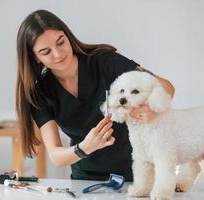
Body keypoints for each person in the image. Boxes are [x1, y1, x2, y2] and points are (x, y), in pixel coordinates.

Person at [16, 9, 175, 181]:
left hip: (138, 173)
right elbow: (56, 156)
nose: (58, 54)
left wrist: (146, 110)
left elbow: (167, 88)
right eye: (46, 52)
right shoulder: (40, 92)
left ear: (67, 36)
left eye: (61, 42)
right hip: (86, 179)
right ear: (35, 57)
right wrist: (85, 147)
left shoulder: (104, 61)